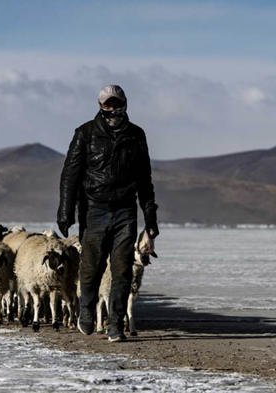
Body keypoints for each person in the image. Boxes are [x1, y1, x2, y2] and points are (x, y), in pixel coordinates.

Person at [57, 84, 159, 342]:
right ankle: (86, 310)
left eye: (116, 103)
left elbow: (145, 179)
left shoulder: (136, 135)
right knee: (92, 267)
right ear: (100, 105)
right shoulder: (85, 133)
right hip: (94, 209)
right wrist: (65, 211)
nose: (112, 108)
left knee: (122, 270)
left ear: (124, 104)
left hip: (125, 210)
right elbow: (70, 174)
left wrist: (150, 220)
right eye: (107, 104)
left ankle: (115, 323)